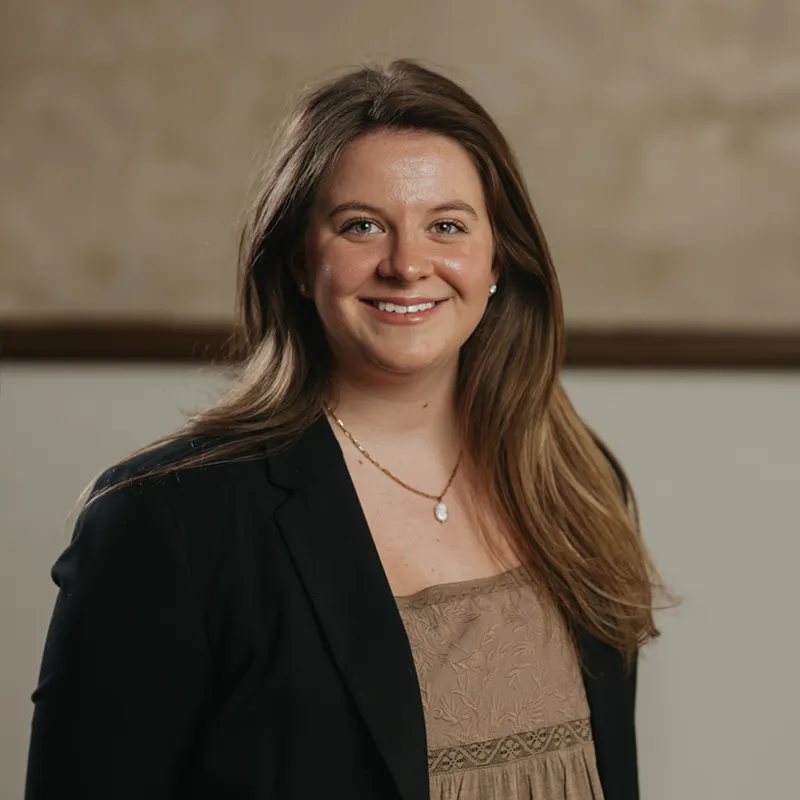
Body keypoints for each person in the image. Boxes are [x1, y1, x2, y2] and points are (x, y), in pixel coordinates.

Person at [26, 59, 666, 800]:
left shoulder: (578, 482)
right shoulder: (167, 519)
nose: (406, 264)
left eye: (447, 226)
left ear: (498, 259)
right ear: (301, 261)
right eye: (361, 225)